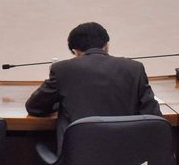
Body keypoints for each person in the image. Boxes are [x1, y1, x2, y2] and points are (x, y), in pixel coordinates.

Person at [25, 22, 161, 143]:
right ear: (106, 45)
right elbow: (153, 115)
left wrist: (60, 102)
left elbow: (35, 107)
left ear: (75, 51)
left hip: (78, 156)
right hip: (129, 154)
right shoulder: (135, 68)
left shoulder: (62, 69)